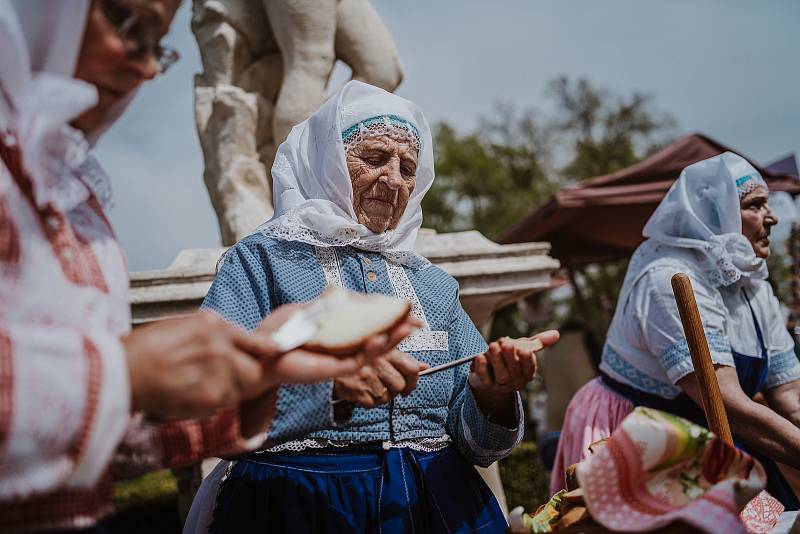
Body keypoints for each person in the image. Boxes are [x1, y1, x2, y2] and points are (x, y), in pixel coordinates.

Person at [0, 2, 416, 531]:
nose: (148, 68)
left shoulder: (75, 200)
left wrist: (262, 377)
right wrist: (123, 375)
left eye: (157, 45)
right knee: (308, 60)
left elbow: (97, 445)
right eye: (128, 24)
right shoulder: (260, 256)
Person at [184, 80, 559, 534]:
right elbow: (208, 401)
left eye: (407, 168)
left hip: (437, 505)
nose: (394, 179)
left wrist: (493, 390)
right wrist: (326, 388)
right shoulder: (261, 260)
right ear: (327, 161)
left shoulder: (432, 283)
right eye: (375, 158)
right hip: (298, 506)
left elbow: (482, 448)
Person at [551, 152, 800, 510]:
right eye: (756, 205)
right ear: (718, 214)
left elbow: (790, 396)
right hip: (640, 430)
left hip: (712, 430)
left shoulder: (753, 284)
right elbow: (725, 403)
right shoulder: (669, 278)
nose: (772, 216)